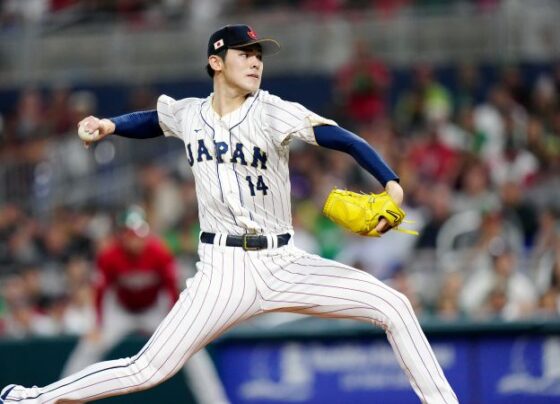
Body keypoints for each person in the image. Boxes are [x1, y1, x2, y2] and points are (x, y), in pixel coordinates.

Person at [1, 24, 458, 404]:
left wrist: (392, 184)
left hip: (284, 262)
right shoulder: (191, 114)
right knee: (148, 368)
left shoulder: (272, 111)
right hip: (222, 271)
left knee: (393, 305)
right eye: (245, 53)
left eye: (259, 55)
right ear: (216, 62)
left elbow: (342, 138)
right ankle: (33, 399)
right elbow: (154, 120)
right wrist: (109, 125)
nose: (256, 61)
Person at [60, 206, 229, 404]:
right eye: (130, 234)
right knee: (90, 345)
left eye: (139, 234)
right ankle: (61, 396)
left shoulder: (159, 252)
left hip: (154, 310)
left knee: (193, 351)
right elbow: (101, 292)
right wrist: (98, 324)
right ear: (121, 235)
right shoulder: (110, 256)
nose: (135, 239)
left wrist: (179, 324)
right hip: (121, 311)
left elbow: (171, 291)